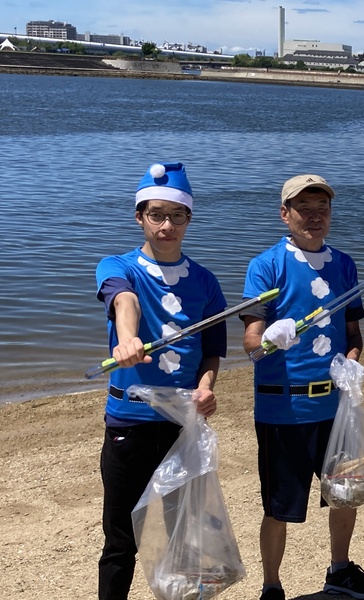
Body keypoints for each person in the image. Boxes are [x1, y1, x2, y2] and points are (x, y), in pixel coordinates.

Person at [240, 174, 364, 600]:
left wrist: (352, 364)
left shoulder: (344, 265)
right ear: (285, 214)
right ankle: (271, 585)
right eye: (304, 208)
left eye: (322, 208)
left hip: (335, 408)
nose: (315, 216)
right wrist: (268, 338)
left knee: (345, 492)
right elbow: (250, 345)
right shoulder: (266, 265)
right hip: (283, 410)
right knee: (279, 506)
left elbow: (354, 335)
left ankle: (339, 571)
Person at [96, 162, 227, 600]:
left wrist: (207, 387)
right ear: (139, 217)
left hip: (180, 425)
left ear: (189, 219)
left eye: (177, 215)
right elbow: (124, 299)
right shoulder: (118, 266)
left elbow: (211, 352)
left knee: (181, 533)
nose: (166, 225)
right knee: (120, 541)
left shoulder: (206, 283)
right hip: (129, 424)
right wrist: (129, 339)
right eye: (156, 214)